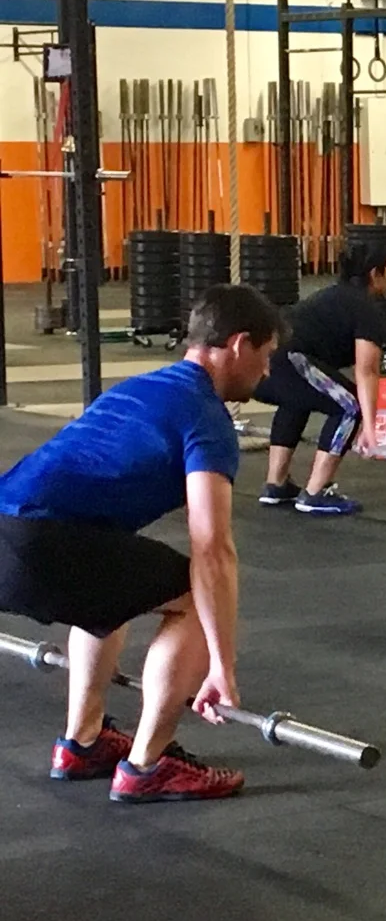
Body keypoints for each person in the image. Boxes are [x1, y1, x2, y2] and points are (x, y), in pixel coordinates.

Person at [0, 286, 279, 803]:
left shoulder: (142, 387)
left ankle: (82, 743)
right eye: (265, 356)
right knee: (196, 596)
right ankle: (148, 764)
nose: (265, 372)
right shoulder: (206, 417)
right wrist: (222, 666)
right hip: (41, 544)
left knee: (112, 590)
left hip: (8, 534)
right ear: (239, 345)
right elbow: (213, 548)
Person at [253, 243, 386, 516]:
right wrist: (370, 428)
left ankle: (276, 484)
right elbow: (367, 371)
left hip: (259, 367)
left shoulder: (330, 296)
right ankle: (316, 493)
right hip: (289, 360)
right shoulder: (366, 309)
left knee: (297, 399)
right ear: (374, 274)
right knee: (350, 405)